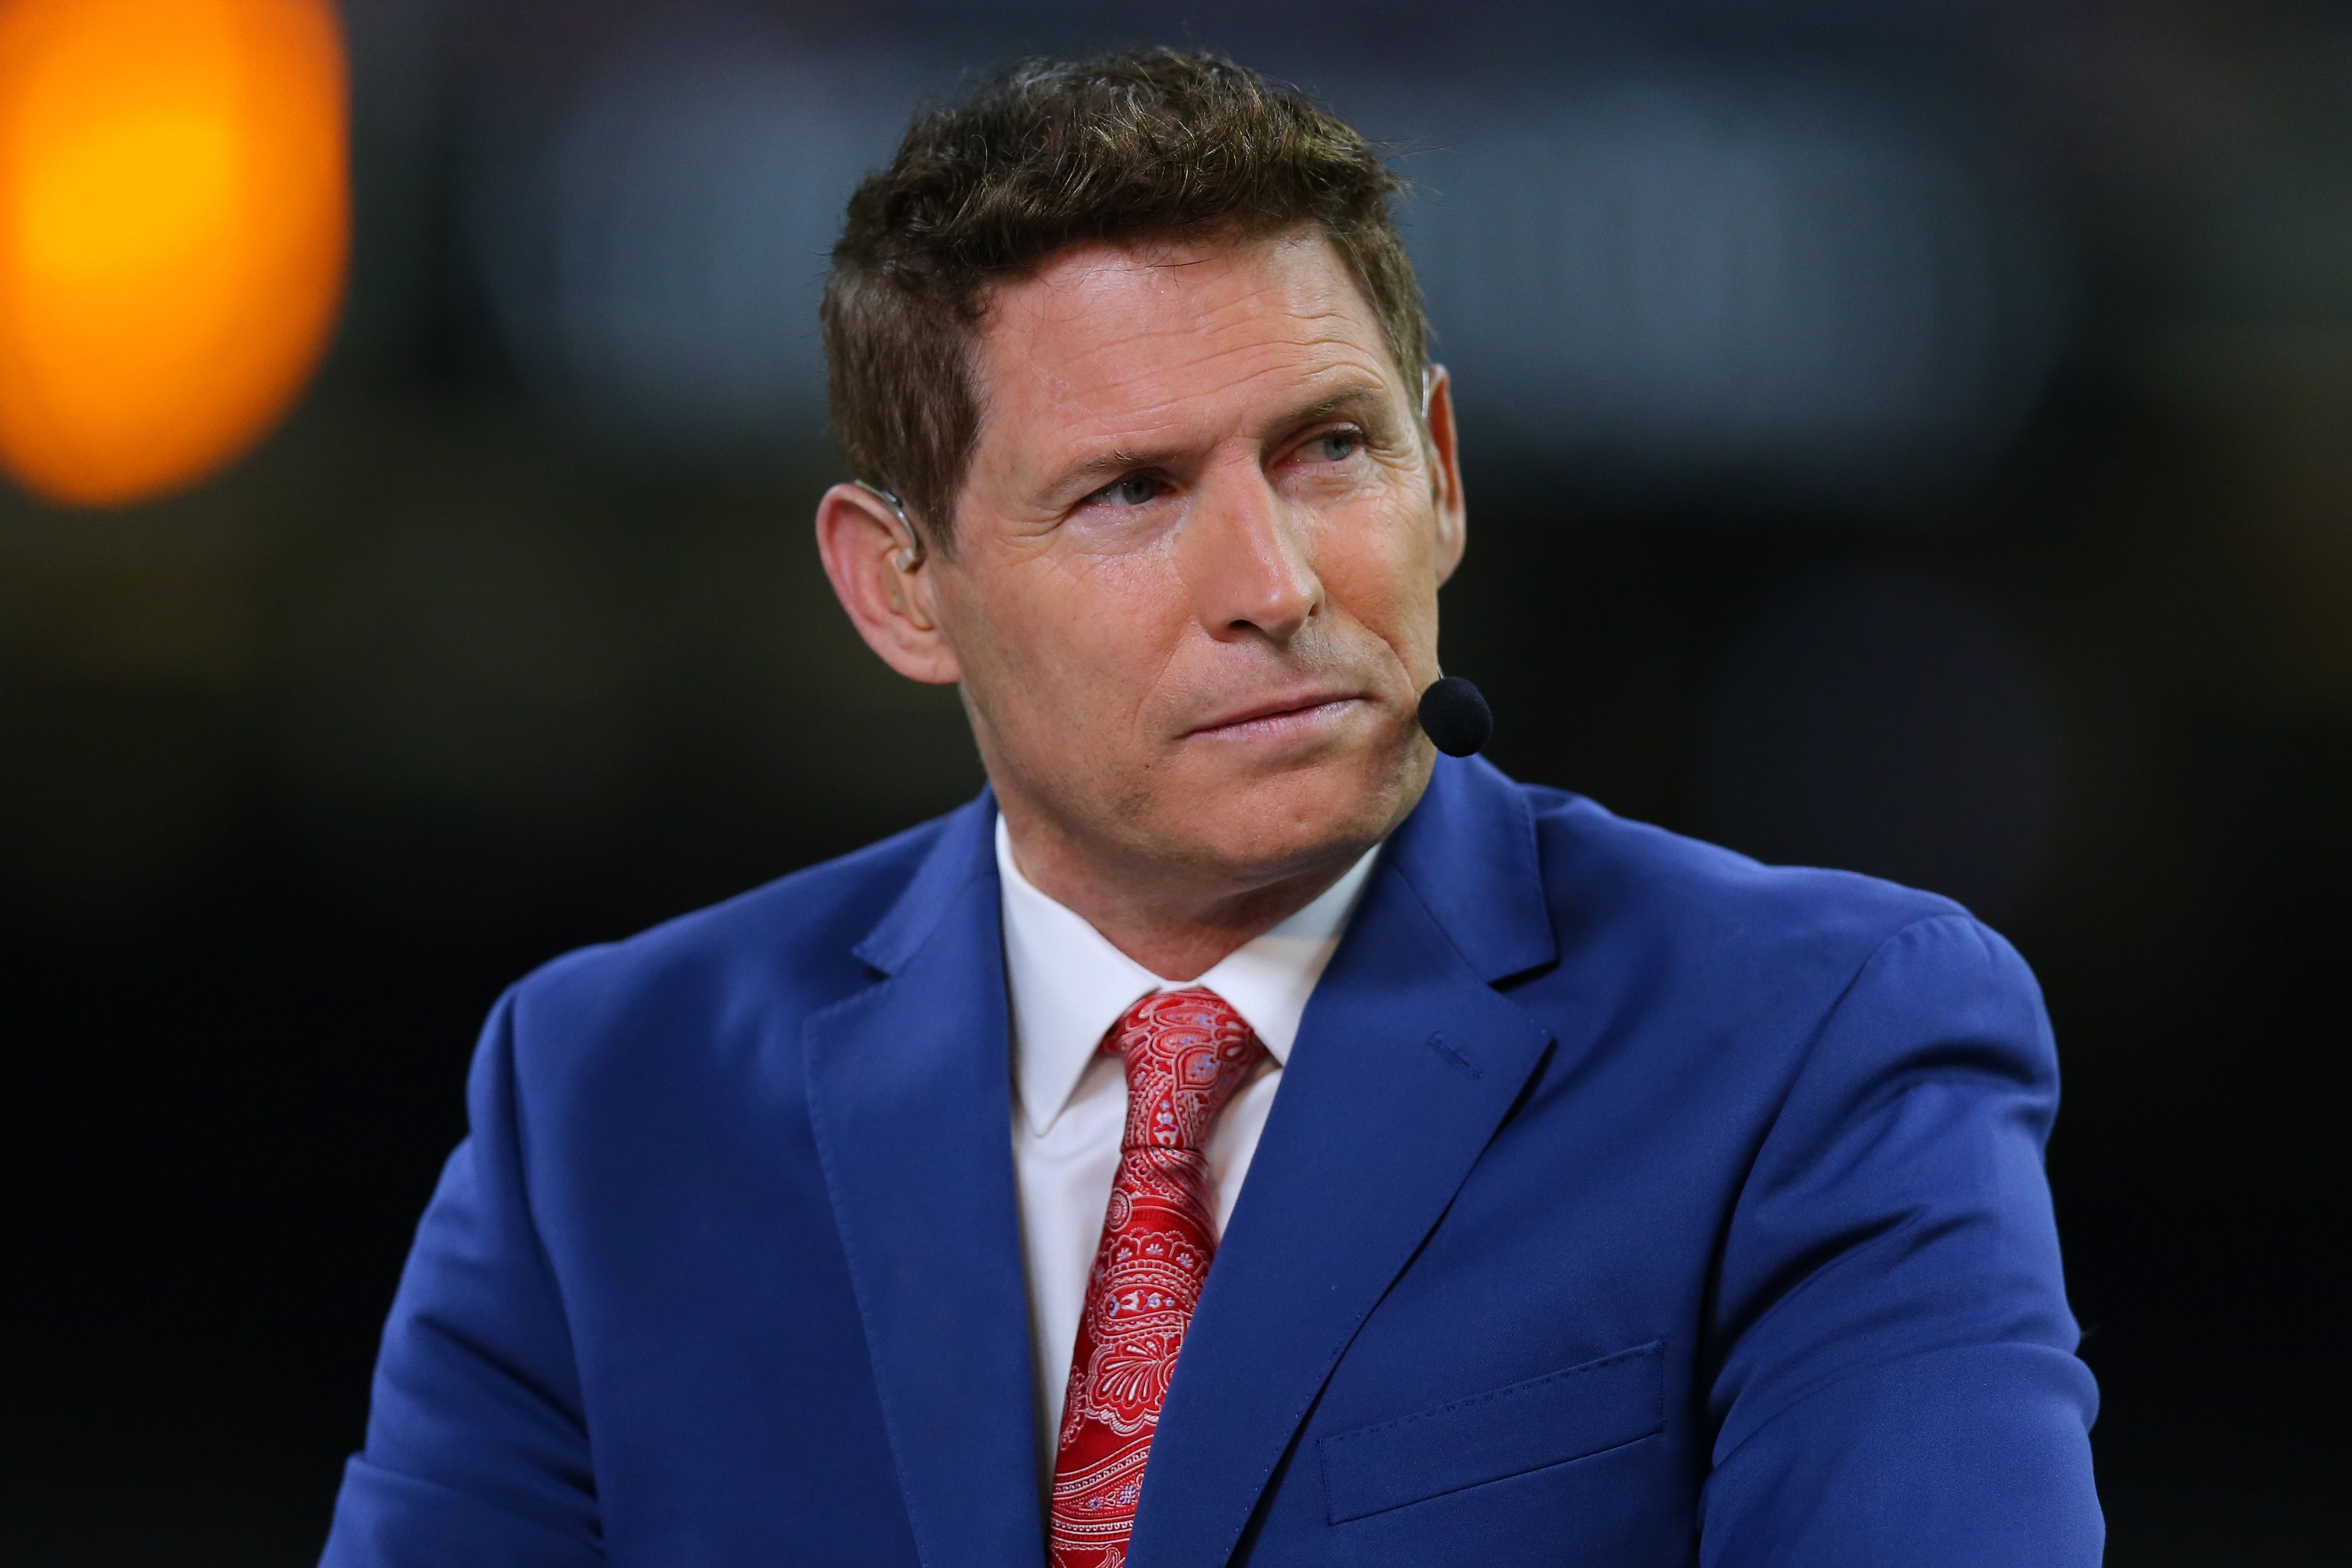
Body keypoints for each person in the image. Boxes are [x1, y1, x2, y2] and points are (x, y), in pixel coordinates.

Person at [320, 49, 2102, 1568]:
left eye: (1327, 449)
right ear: (898, 587)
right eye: (1129, 491)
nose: (1273, 583)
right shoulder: (607, 1104)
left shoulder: (1812, 1042)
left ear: (1441, 475)